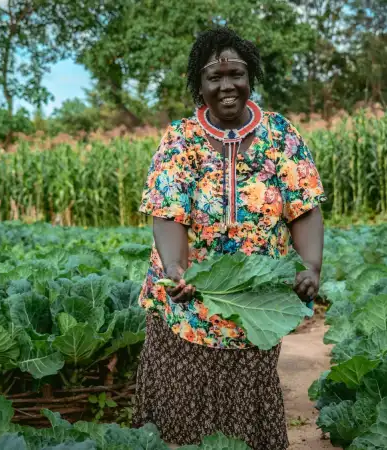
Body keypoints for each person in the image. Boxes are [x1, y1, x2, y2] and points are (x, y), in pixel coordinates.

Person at [133, 26, 326, 450]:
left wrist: (311, 266)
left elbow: (305, 206)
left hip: (254, 301)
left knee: (246, 409)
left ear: (250, 77)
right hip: (188, 300)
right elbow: (168, 212)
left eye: (235, 74)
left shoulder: (280, 135)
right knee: (181, 403)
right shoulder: (180, 139)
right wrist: (175, 268)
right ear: (198, 84)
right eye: (214, 78)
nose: (226, 86)